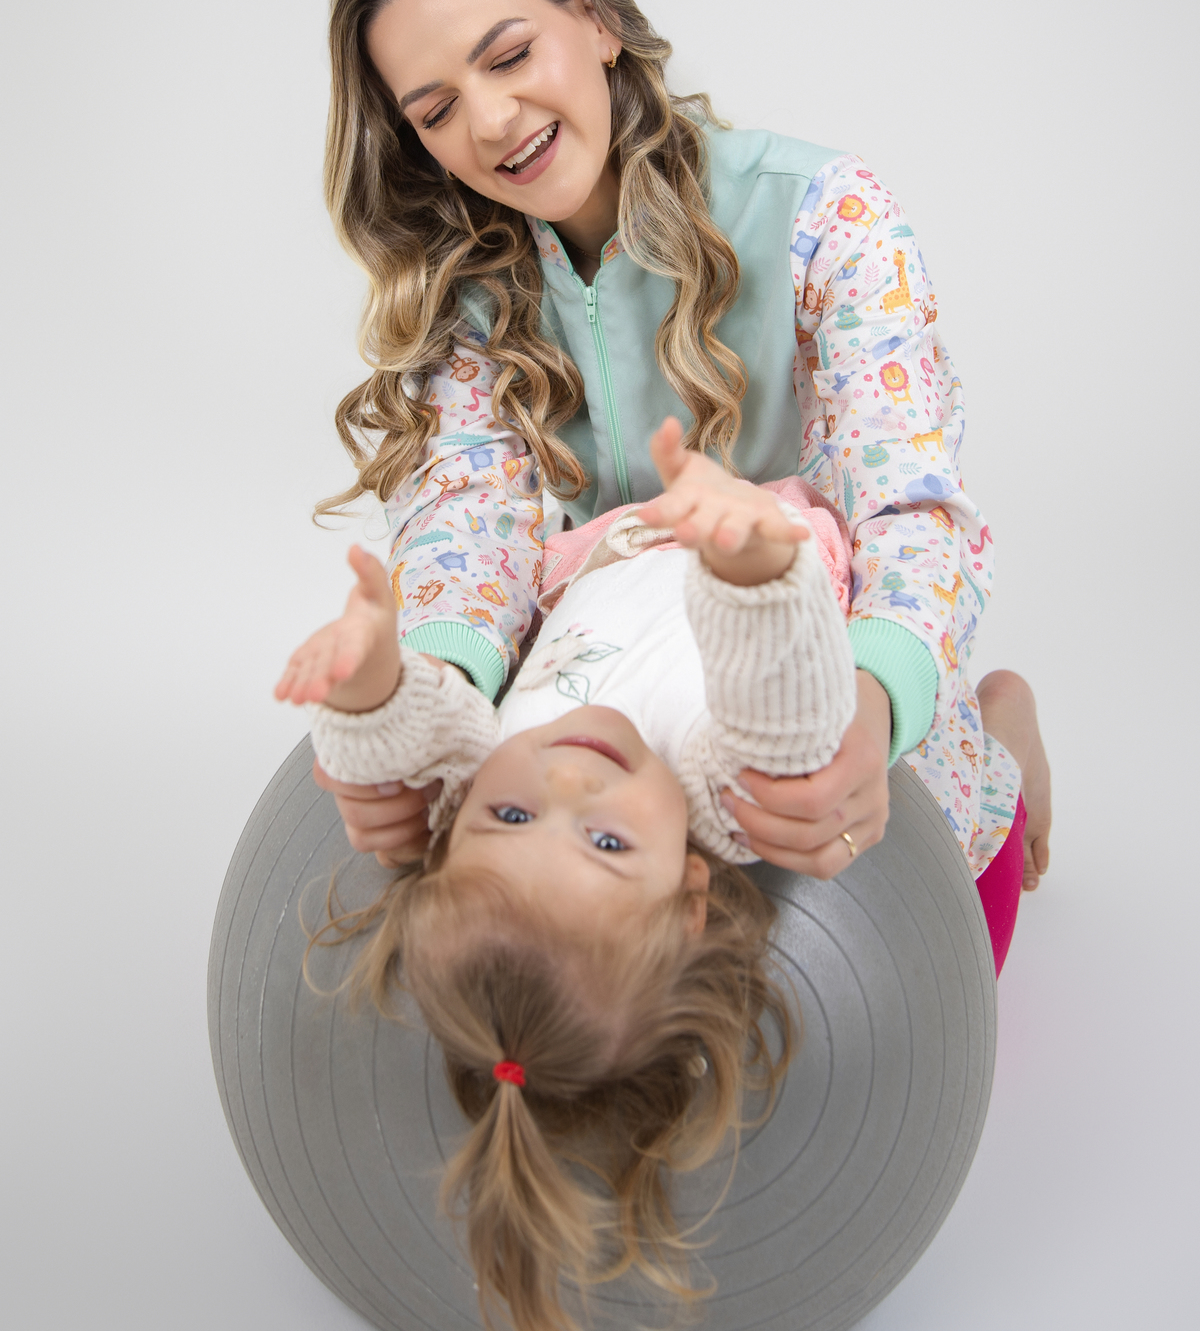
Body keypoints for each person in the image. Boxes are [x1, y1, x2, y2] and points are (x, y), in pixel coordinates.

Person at [309, 0, 1051, 908]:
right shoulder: (468, 295)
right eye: (435, 111)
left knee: (911, 927)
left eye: (510, 55)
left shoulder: (826, 216)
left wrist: (877, 699)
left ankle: (1002, 733)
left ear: (595, 19)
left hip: (806, 674)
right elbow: (465, 526)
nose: (491, 121)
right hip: (613, 679)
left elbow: (911, 506)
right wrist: (429, 702)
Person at [278, 422, 869, 1331]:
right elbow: (787, 718)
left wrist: (365, 685)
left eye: (510, 818)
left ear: (454, 830)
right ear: (688, 899)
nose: (564, 784)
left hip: (621, 537)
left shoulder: (496, 762)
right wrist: (750, 568)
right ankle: (1008, 746)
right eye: (608, 844)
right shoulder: (714, 795)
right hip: (762, 537)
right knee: (977, 830)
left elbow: (425, 740)